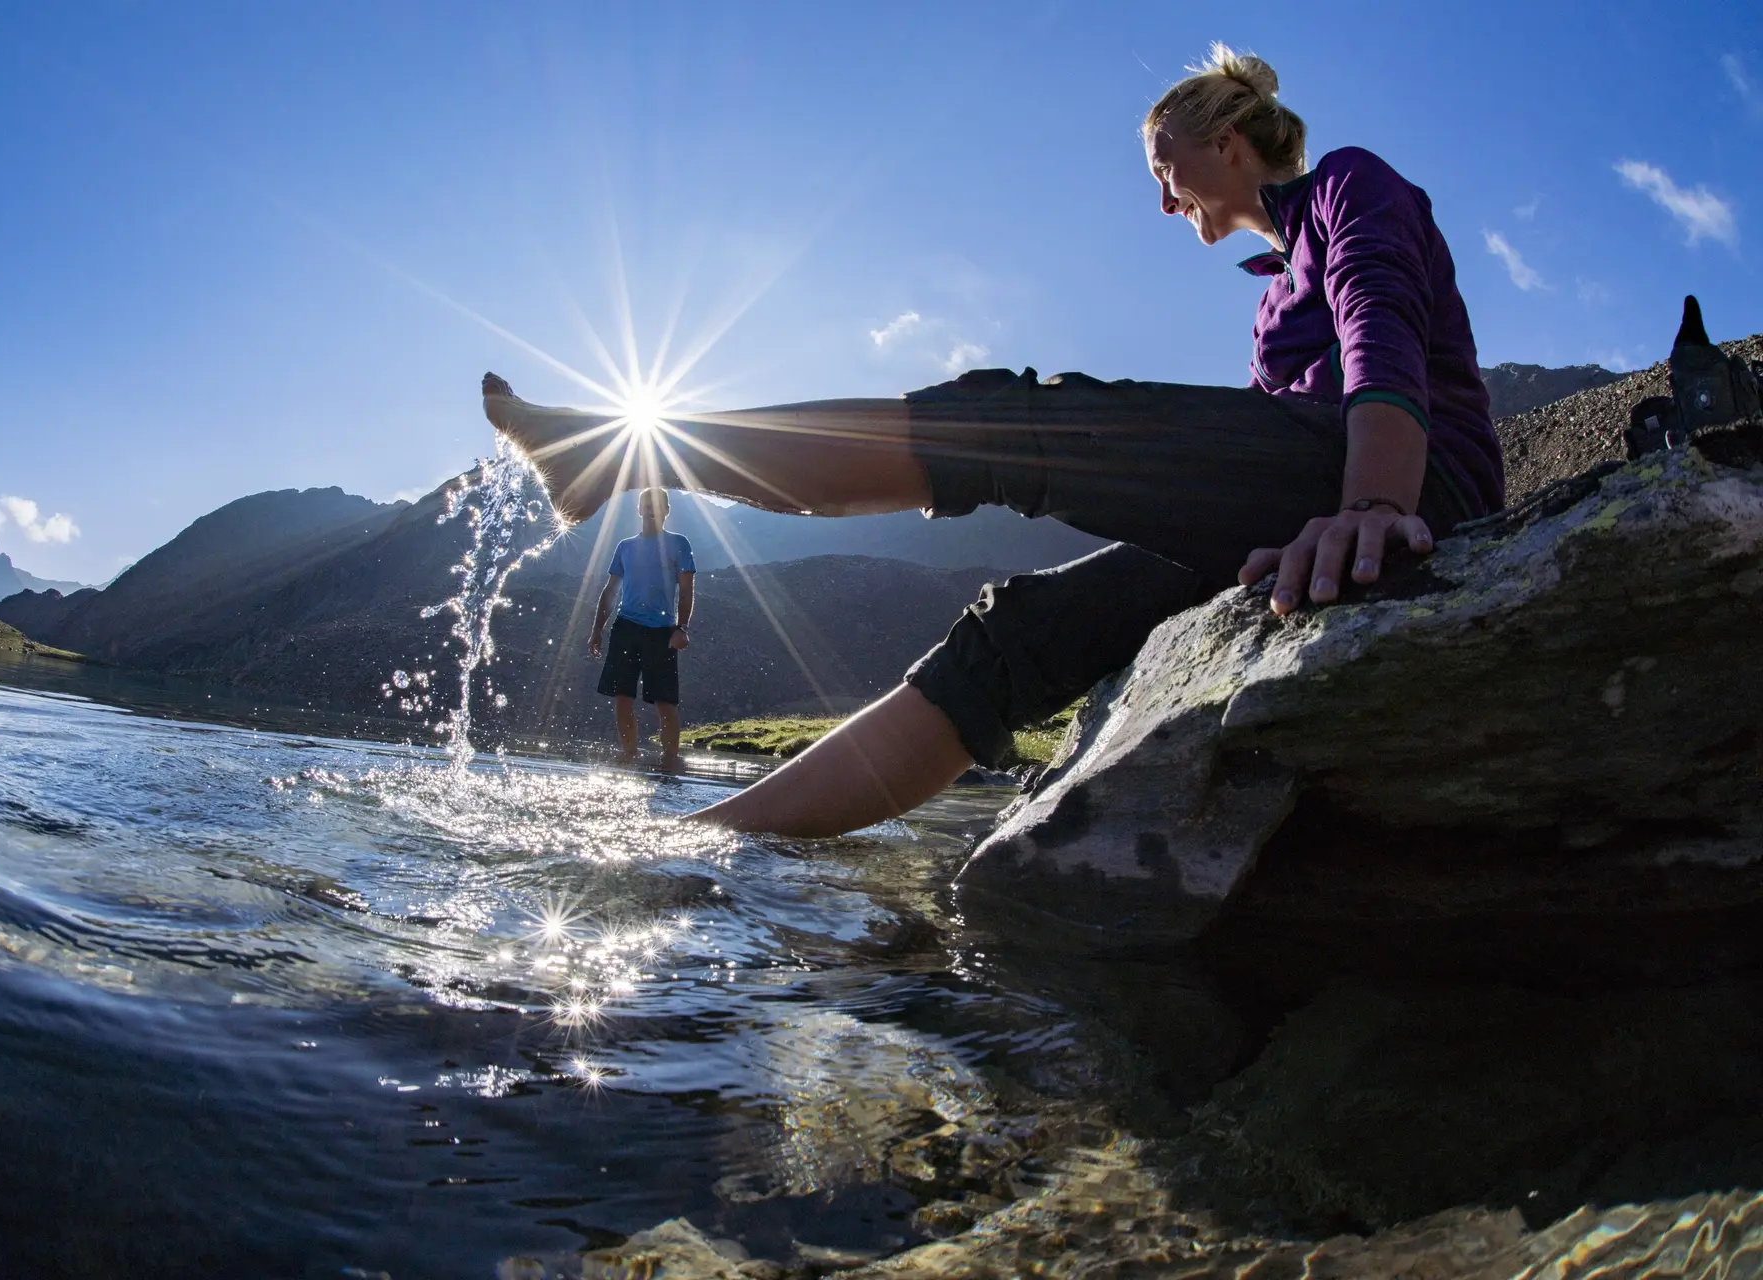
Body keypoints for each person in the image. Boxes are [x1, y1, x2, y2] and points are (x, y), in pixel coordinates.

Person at [484, 44, 1503, 836]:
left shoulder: (1349, 185)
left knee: (1020, 422)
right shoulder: (1270, 298)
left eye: (1165, 168)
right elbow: (1267, 449)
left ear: (1227, 142)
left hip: (1415, 488)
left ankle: (630, 453)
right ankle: (708, 842)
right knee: (1015, 628)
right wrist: (1313, 521)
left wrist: (1371, 503)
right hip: (1324, 491)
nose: (1161, 199)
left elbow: (1381, 332)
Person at [591, 487, 696, 771]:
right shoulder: (625, 546)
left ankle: (670, 761)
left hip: (662, 631)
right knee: (622, 696)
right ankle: (629, 755)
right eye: (646, 505)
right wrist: (597, 629)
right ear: (639, 510)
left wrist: (682, 628)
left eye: (658, 505)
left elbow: (686, 591)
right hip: (625, 627)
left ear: (666, 511)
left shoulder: (679, 544)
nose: (651, 510)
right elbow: (610, 590)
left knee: (664, 701)